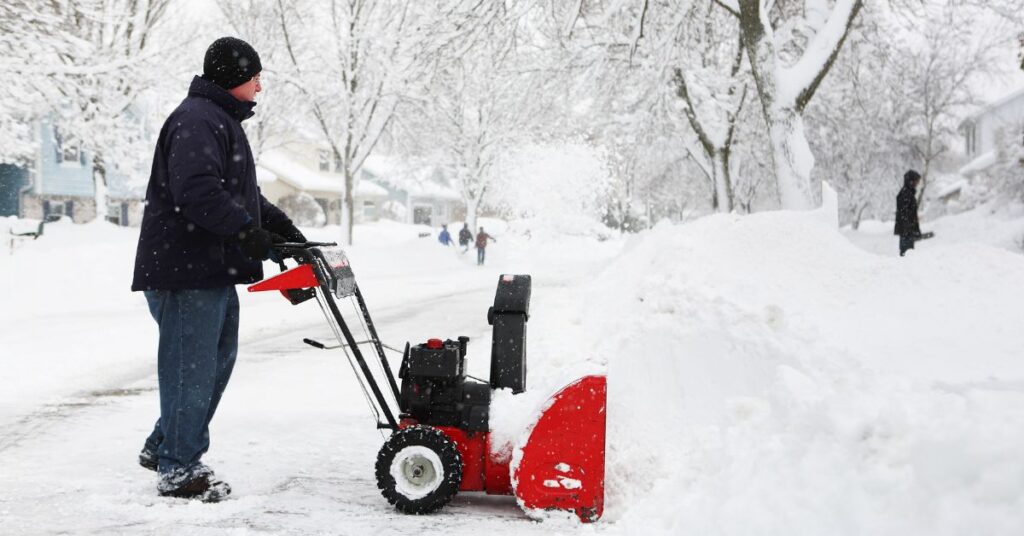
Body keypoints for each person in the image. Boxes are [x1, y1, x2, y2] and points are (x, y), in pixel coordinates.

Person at [130, 37, 306, 502]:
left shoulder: (218, 120)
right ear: (233, 77)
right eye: (255, 78)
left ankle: (165, 445)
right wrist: (247, 233)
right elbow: (198, 193)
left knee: (211, 366)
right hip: (186, 272)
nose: (260, 87)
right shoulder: (196, 120)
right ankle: (180, 468)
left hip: (208, 270)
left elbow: (239, 194)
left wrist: (282, 229)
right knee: (193, 369)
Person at [894, 169, 923, 257]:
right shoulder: (905, 194)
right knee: (906, 256)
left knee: (908, 255)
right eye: (916, 181)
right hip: (906, 231)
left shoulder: (908, 193)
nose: (917, 184)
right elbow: (905, 214)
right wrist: (910, 229)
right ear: (911, 181)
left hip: (908, 231)